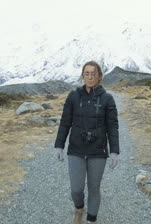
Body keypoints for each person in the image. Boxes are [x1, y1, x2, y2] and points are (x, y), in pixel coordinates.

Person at [54, 60, 120, 224]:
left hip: (98, 150)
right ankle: (79, 208)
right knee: (76, 189)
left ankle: (91, 219)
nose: (90, 77)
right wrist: (59, 145)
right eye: (87, 73)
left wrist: (114, 151)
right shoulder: (73, 96)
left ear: (99, 77)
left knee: (94, 188)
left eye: (94, 74)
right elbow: (65, 122)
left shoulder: (108, 99)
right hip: (76, 148)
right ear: (82, 76)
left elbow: (112, 127)